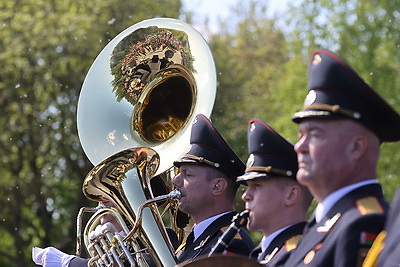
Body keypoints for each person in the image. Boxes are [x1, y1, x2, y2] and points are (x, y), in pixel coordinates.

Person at [280, 49, 400, 267]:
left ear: (356, 147)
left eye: (314, 134)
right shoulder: (321, 224)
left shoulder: (364, 222)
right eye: (300, 135)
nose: (300, 147)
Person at [172, 114, 254, 263]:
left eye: (187, 174)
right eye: (179, 173)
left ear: (217, 186)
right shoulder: (191, 243)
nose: (175, 181)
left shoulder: (230, 245)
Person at [236, 118, 313, 265]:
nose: (246, 196)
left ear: (291, 195)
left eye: (257, 186)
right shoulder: (261, 254)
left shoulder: (300, 256)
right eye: (247, 186)